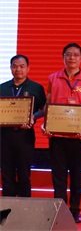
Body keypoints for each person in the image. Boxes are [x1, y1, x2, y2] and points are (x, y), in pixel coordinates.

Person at [43, 42, 81, 223]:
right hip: (57, 135)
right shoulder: (53, 78)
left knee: (76, 176)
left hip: (78, 136)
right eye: (68, 54)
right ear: (63, 57)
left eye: (75, 55)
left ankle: (74, 210)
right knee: (58, 175)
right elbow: (48, 104)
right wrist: (46, 124)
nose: (72, 58)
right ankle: (60, 211)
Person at [0, 54, 46, 197]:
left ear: (28, 68)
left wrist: (33, 117)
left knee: (24, 174)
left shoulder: (36, 88)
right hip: (4, 136)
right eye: (15, 66)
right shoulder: (2, 88)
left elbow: (44, 109)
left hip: (25, 136)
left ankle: (25, 206)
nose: (18, 69)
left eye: (22, 66)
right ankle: (7, 207)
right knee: (6, 174)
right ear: (10, 68)